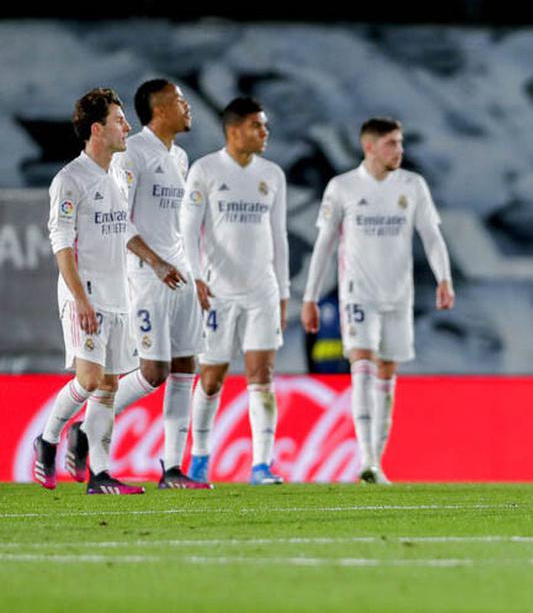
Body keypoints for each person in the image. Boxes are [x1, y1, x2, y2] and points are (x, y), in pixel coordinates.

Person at [70, 79, 210, 490]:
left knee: (187, 365)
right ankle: (86, 429)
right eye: (181, 101)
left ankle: (171, 468)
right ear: (160, 109)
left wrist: (193, 272)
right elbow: (120, 219)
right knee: (153, 371)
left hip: (179, 274)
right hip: (148, 276)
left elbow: (177, 224)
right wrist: (155, 261)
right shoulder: (131, 155)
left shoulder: (180, 157)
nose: (188, 107)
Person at [302, 117, 454, 485]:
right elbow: (323, 245)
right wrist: (309, 296)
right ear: (369, 147)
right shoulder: (343, 187)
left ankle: (377, 462)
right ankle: (366, 458)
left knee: (387, 374)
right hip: (358, 293)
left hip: (398, 296)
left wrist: (444, 278)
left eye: (400, 143)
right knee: (362, 366)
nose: (399, 151)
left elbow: (431, 236)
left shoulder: (412, 185)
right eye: (392, 144)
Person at [33, 88, 144, 494]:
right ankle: (47, 438)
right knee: (91, 378)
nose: (127, 126)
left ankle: (100, 474)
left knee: (110, 384)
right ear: (97, 129)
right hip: (86, 294)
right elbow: (61, 245)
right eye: (119, 120)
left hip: (118, 294)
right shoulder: (69, 180)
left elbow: (122, 232)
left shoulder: (117, 174)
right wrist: (80, 299)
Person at [181, 97, 289, 485]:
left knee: (262, 375)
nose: (265, 133)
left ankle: (261, 465)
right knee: (211, 377)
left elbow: (279, 236)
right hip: (218, 293)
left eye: (265, 126)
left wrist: (283, 291)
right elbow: (189, 230)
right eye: (257, 126)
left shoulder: (272, 175)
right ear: (233, 130)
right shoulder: (206, 170)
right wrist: (195, 276)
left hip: (262, 290)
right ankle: (199, 457)